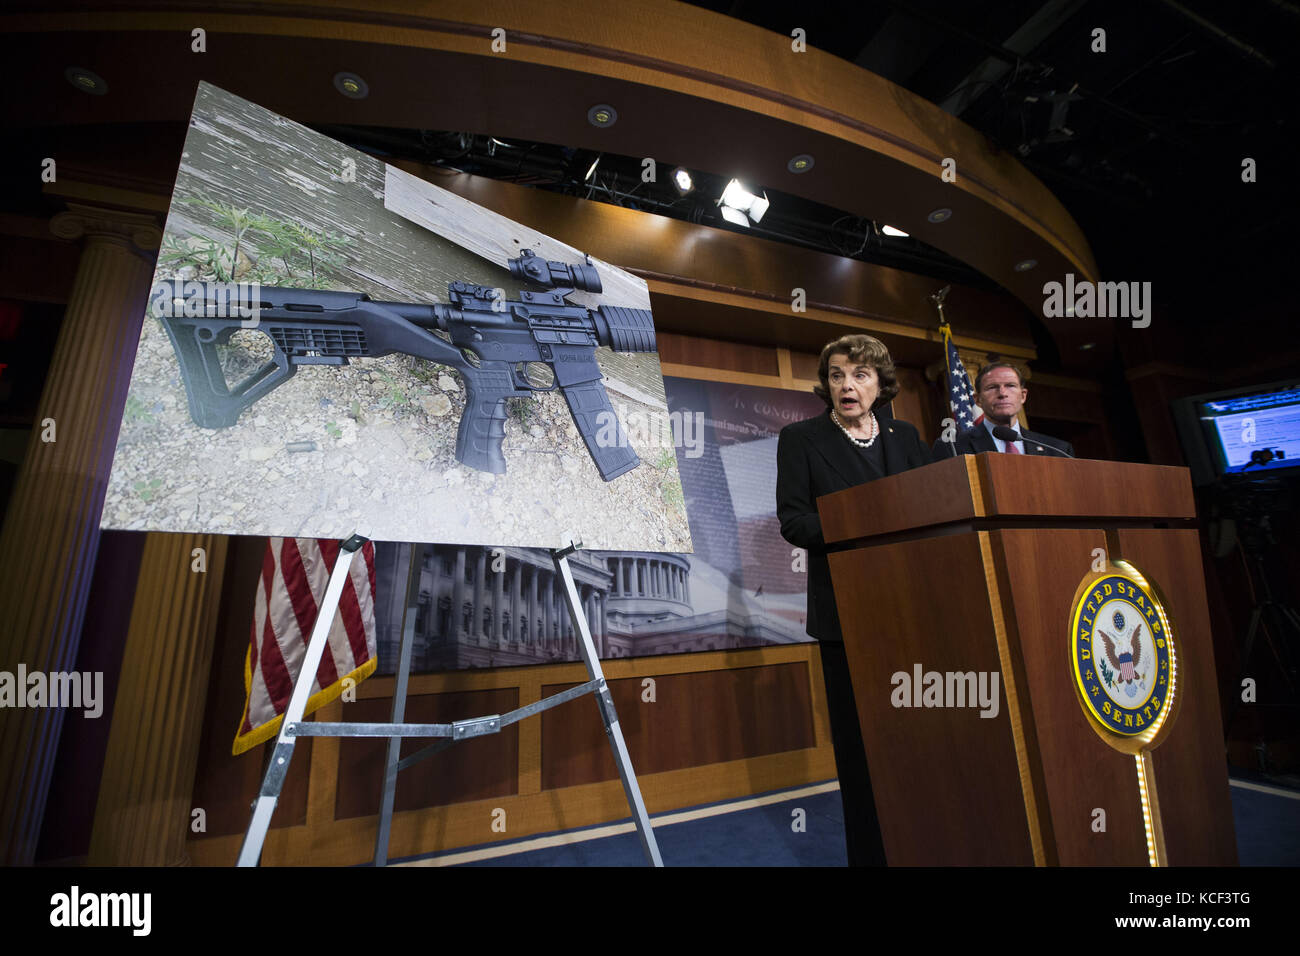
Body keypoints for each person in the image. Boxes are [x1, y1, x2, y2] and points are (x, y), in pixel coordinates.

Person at [775, 333, 930, 866]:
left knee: (915, 741)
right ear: (826, 384)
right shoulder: (801, 438)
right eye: (837, 374)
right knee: (864, 751)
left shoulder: (906, 436)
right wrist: (861, 525)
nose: (847, 384)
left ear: (880, 384)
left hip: (912, 609)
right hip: (846, 614)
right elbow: (793, 521)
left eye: (860, 375)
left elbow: (931, 509)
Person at [931, 362, 1076, 459]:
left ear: (1023, 396)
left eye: (1010, 385)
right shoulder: (953, 447)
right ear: (977, 400)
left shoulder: (1058, 450)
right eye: (992, 387)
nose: (1002, 393)